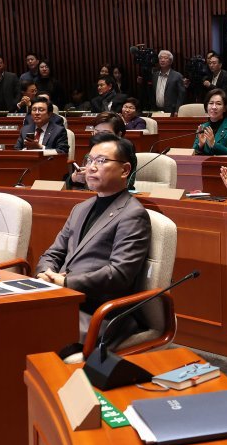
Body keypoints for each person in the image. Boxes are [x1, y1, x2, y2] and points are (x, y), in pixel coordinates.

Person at [37, 136, 151, 341]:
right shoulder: (80, 208)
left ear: (125, 170)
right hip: (63, 299)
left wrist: (66, 281)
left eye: (101, 161)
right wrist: (45, 274)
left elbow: (119, 274)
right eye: (89, 160)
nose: (90, 167)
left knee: (27, 333)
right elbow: (54, 252)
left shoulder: (133, 214)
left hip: (98, 313)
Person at [65, 122, 135, 191]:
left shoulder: (125, 155)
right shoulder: (89, 155)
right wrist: (75, 178)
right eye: (90, 160)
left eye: (101, 160)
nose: (91, 168)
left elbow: (126, 184)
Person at [193, 89, 227, 155]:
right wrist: (200, 145)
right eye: (211, 103)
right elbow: (193, 153)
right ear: (206, 106)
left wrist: (214, 144)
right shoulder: (203, 127)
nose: (214, 107)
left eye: (218, 104)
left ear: (225, 108)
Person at [142, 50, 186, 115]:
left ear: (170, 61)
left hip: (171, 110)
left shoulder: (177, 76)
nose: (162, 60)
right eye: (160, 58)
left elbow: (181, 95)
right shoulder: (154, 75)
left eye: (165, 58)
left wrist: (177, 110)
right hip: (156, 109)